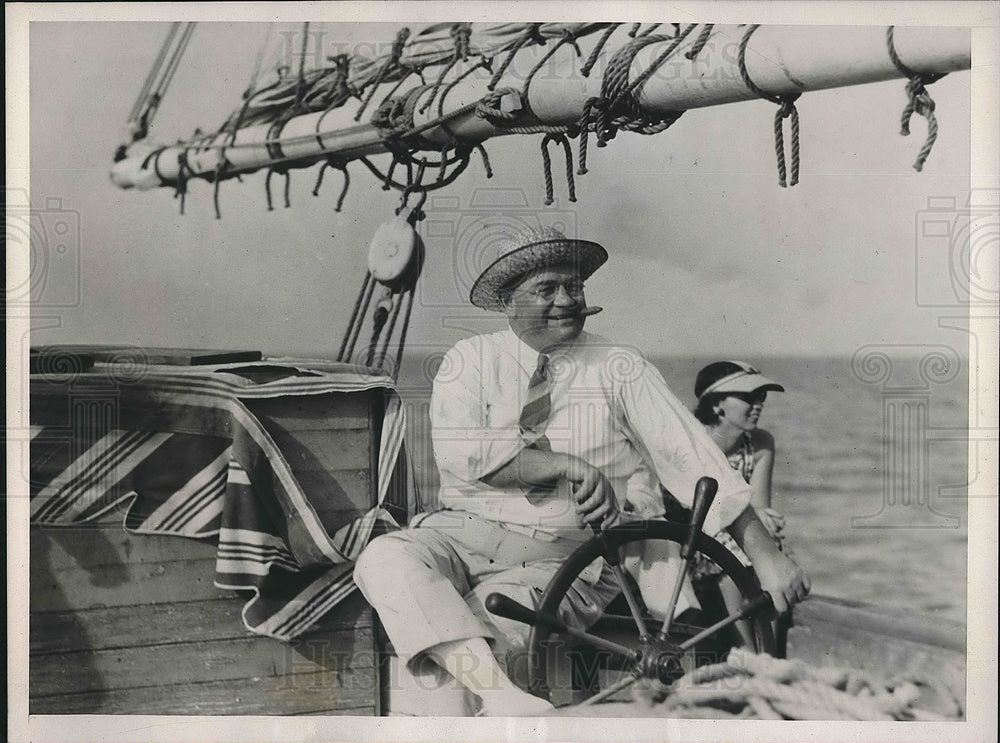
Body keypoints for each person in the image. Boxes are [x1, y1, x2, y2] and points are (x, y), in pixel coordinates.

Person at [353, 227, 810, 716]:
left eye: (575, 286)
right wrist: (564, 465)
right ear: (509, 301)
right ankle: (506, 701)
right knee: (381, 557)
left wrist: (765, 556)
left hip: (562, 561)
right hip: (460, 536)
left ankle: (497, 701)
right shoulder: (470, 360)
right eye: (546, 289)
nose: (567, 300)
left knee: (456, 670)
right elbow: (462, 454)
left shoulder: (620, 366)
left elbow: (694, 459)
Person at [683, 360, 793, 645]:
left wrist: (766, 521)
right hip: (691, 535)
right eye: (748, 397)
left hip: (737, 533)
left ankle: (764, 645)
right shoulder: (690, 440)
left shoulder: (759, 445)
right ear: (717, 403)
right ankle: (747, 652)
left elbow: (758, 508)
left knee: (770, 545)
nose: (758, 405)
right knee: (734, 562)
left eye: (761, 398)